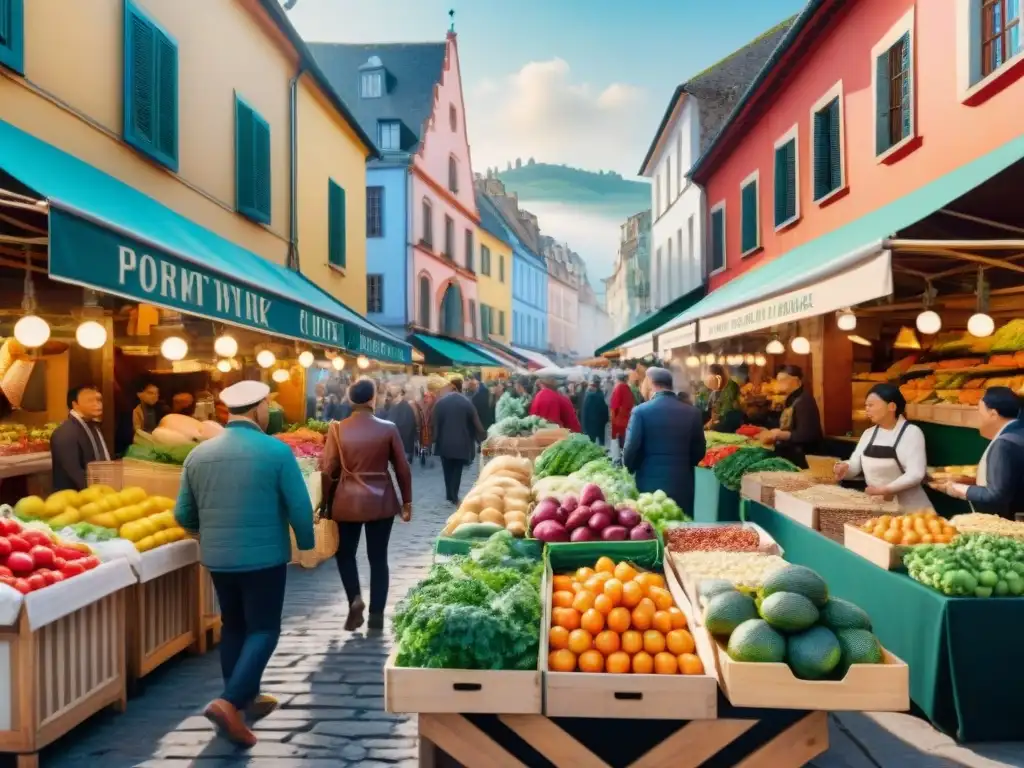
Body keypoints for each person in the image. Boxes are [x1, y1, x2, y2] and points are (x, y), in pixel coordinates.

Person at [175, 380, 314, 748]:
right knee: (264, 629)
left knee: (233, 625)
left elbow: (184, 514)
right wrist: (308, 543)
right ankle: (230, 702)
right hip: (264, 557)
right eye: (268, 406)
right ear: (257, 409)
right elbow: (299, 506)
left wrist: (209, 533)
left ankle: (242, 698)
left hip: (219, 559)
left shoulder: (199, 455)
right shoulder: (275, 452)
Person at [321, 378, 412, 631]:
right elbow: (403, 469)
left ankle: (355, 598)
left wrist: (323, 505)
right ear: (373, 398)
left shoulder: (337, 429)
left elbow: (328, 470)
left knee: (345, 554)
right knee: (378, 558)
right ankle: (376, 616)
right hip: (381, 500)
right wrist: (407, 502)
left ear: (351, 400)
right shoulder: (388, 427)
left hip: (346, 501)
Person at [622, 367, 706, 515]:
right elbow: (699, 451)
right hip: (682, 482)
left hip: (649, 484)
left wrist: (631, 468)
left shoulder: (640, 411)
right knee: (680, 527)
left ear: (649, 383)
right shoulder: (693, 413)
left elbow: (630, 449)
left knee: (653, 527)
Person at [834, 384, 931, 509]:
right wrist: (845, 467)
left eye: (871, 405)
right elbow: (855, 465)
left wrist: (886, 489)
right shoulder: (868, 433)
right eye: (866, 405)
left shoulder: (912, 433)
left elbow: (915, 474)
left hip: (911, 510)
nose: (867, 409)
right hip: (880, 507)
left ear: (892, 406)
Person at [935, 387, 1024, 518]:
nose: (979, 418)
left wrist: (955, 488)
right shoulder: (1018, 432)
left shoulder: (1004, 444)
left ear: (993, 414)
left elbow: (997, 494)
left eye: (980, 413)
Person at [433, 377, 485, 504]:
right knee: (457, 470)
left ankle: (449, 494)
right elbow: (477, 424)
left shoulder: (440, 403)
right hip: (462, 443)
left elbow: (434, 424)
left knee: (447, 469)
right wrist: (483, 438)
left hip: (444, 443)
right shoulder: (467, 403)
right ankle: (454, 495)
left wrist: (434, 440)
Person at [50, 385, 112, 491]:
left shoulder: (92, 425)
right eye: (90, 400)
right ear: (75, 405)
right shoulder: (65, 432)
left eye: (99, 400)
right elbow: (74, 472)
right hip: (74, 497)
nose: (97, 404)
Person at [760, 365, 821, 468]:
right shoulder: (792, 400)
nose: (780, 384)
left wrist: (780, 435)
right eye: (778, 380)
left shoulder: (804, 401)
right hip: (791, 455)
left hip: (805, 459)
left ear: (796, 380)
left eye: (783, 380)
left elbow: (807, 435)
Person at [704, 364, 744, 433]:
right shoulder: (715, 390)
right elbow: (712, 409)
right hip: (720, 421)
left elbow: (726, 409)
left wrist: (711, 424)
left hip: (730, 420)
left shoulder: (731, 386)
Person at [388, 388, 418, 463]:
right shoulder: (396, 406)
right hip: (401, 446)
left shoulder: (405, 408)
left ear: (400, 395)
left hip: (403, 446)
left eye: (392, 396)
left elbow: (407, 427)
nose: (389, 398)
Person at [610, 373, 636, 450]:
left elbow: (615, 405)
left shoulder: (619, 388)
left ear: (618, 379)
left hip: (619, 418)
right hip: (625, 417)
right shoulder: (627, 388)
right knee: (623, 437)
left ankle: (621, 454)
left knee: (620, 439)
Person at [582, 378, 609, 445]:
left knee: (591, 442)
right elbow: (605, 409)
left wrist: (584, 426)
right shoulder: (601, 395)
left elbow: (584, 412)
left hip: (591, 424)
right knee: (601, 441)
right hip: (600, 424)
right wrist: (606, 420)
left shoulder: (588, 396)